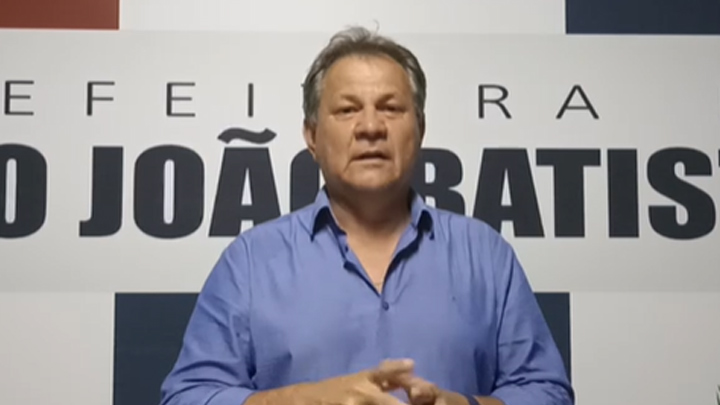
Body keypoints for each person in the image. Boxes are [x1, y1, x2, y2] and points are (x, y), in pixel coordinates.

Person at [159, 26, 574, 405]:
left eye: (391, 108)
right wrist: (309, 400)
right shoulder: (250, 262)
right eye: (347, 110)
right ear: (312, 136)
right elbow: (187, 397)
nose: (371, 127)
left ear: (420, 128)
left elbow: (548, 393)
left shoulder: (486, 255)